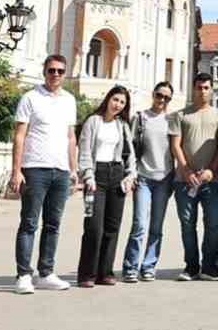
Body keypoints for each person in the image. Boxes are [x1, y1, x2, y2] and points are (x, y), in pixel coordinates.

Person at [8, 53, 79, 294]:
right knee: (29, 222)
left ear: (64, 73)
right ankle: (23, 275)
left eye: (60, 71)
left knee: (53, 224)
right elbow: (19, 135)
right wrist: (16, 170)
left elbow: (71, 137)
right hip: (34, 168)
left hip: (61, 170)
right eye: (52, 70)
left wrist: (74, 169)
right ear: (44, 72)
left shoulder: (69, 100)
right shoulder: (30, 98)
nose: (56, 75)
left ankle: (46, 273)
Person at [170, 73, 218, 281]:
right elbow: (175, 144)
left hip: (212, 181)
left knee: (213, 224)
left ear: (211, 90)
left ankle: (209, 266)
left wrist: (211, 169)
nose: (202, 91)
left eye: (206, 88)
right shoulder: (180, 115)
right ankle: (191, 267)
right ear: (193, 88)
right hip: (184, 181)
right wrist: (185, 170)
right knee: (188, 224)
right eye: (199, 87)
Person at [76, 86, 135, 288]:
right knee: (93, 227)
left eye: (122, 102)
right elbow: (84, 150)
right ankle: (86, 274)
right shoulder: (93, 121)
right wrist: (88, 175)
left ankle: (105, 272)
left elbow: (130, 154)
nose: (117, 104)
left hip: (116, 175)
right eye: (115, 99)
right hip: (96, 177)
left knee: (112, 227)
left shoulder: (122, 125)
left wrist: (130, 175)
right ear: (108, 98)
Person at [122, 81, 177, 283]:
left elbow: (177, 148)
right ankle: (130, 267)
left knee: (156, 226)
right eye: (159, 95)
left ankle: (149, 265)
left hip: (165, 178)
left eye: (166, 97)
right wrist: (132, 173)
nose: (162, 100)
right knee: (139, 224)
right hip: (143, 177)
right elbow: (130, 147)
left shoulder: (172, 120)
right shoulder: (140, 118)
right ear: (153, 95)